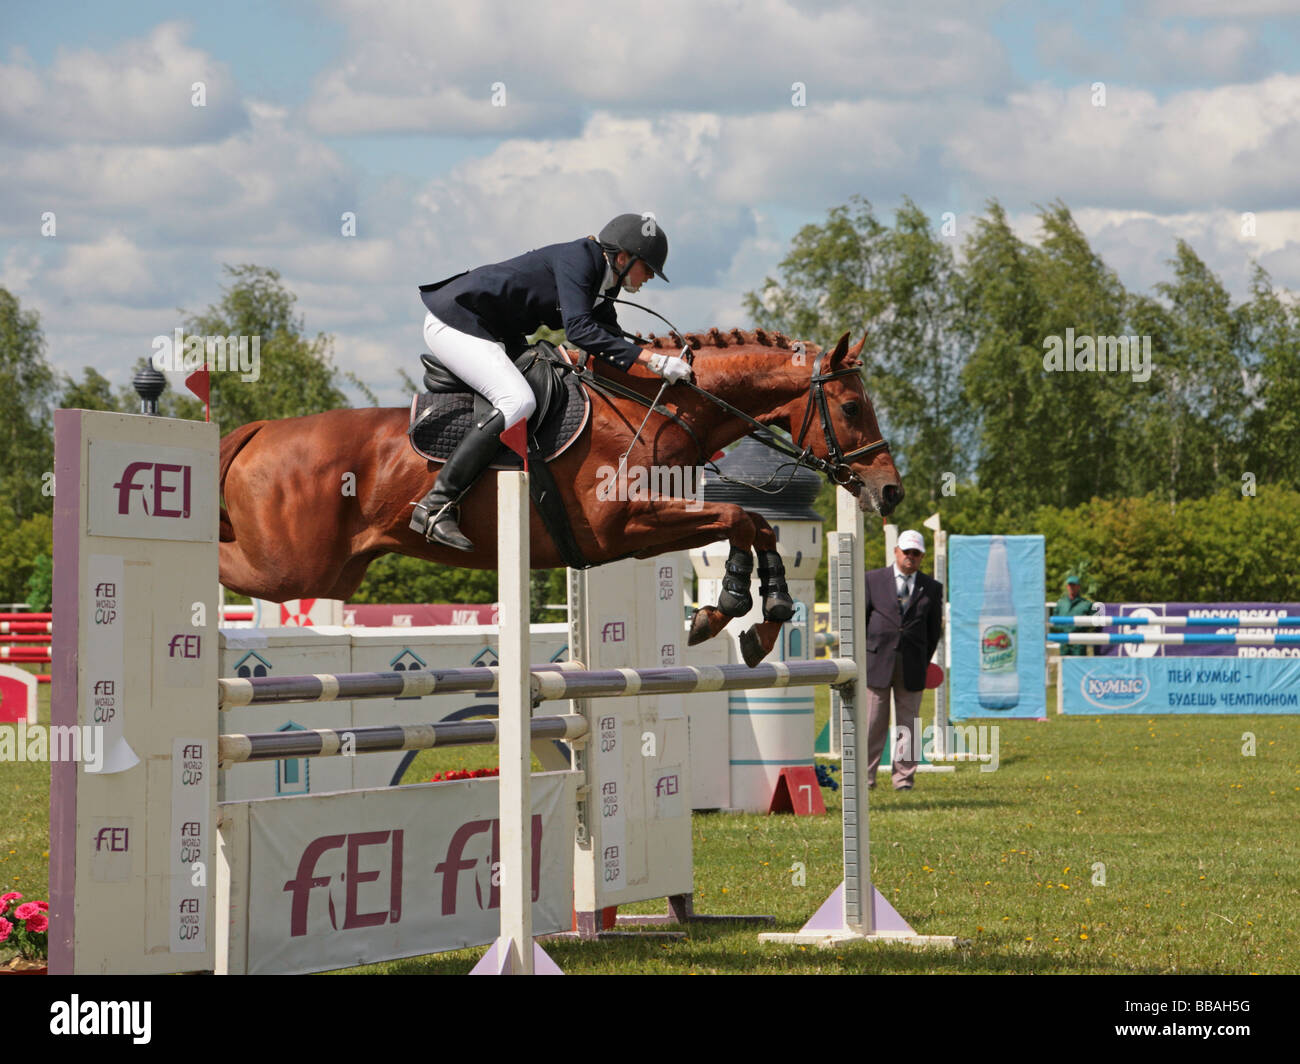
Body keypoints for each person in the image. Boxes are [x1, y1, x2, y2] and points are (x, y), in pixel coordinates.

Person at [410, 213, 693, 550]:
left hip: (495, 331)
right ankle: (435, 505)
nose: (647, 278)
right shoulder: (580, 260)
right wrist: (655, 361)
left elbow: (610, 336)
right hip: (456, 321)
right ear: (622, 257)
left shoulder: (605, 280)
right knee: (518, 401)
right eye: (646, 268)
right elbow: (579, 331)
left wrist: (660, 364)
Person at [863, 529, 944, 791]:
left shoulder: (932, 587)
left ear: (922, 556)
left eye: (916, 553)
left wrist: (922, 659)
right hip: (876, 663)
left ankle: (903, 780)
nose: (910, 556)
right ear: (896, 551)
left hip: (912, 665)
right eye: (906, 551)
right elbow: (861, 621)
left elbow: (934, 631)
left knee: (908, 726)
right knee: (872, 722)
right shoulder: (872, 580)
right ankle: (865, 779)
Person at [1053, 575, 1095, 656]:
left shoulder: (1086, 604)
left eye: (1073, 585)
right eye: (1070, 585)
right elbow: (1055, 619)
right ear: (1067, 586)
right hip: (1064, 640)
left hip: (1079, 642)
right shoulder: (1061, 603)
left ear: (1078, 587)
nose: (1071, 587)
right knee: (1064, 665)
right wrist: (1063, 629)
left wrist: (1081, 628)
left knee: (1079, 665)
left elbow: (1093, 621)